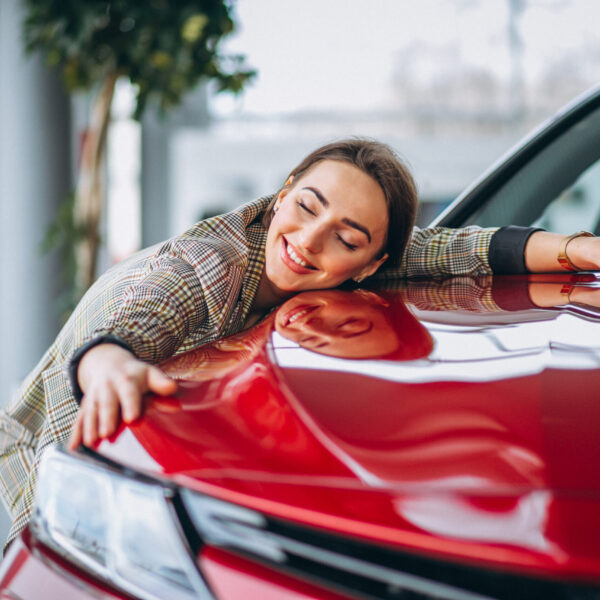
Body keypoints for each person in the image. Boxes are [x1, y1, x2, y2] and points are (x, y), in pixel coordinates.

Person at [0, 138, 599, 551]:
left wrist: (578, 251)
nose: (310, 241)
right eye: (308, 206)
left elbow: (460, 251)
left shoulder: (365, 262)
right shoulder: (206, 266)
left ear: (372, 264)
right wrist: (108, 365)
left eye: (346, 237)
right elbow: (136, 322)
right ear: (285, 191)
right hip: (47, 444)